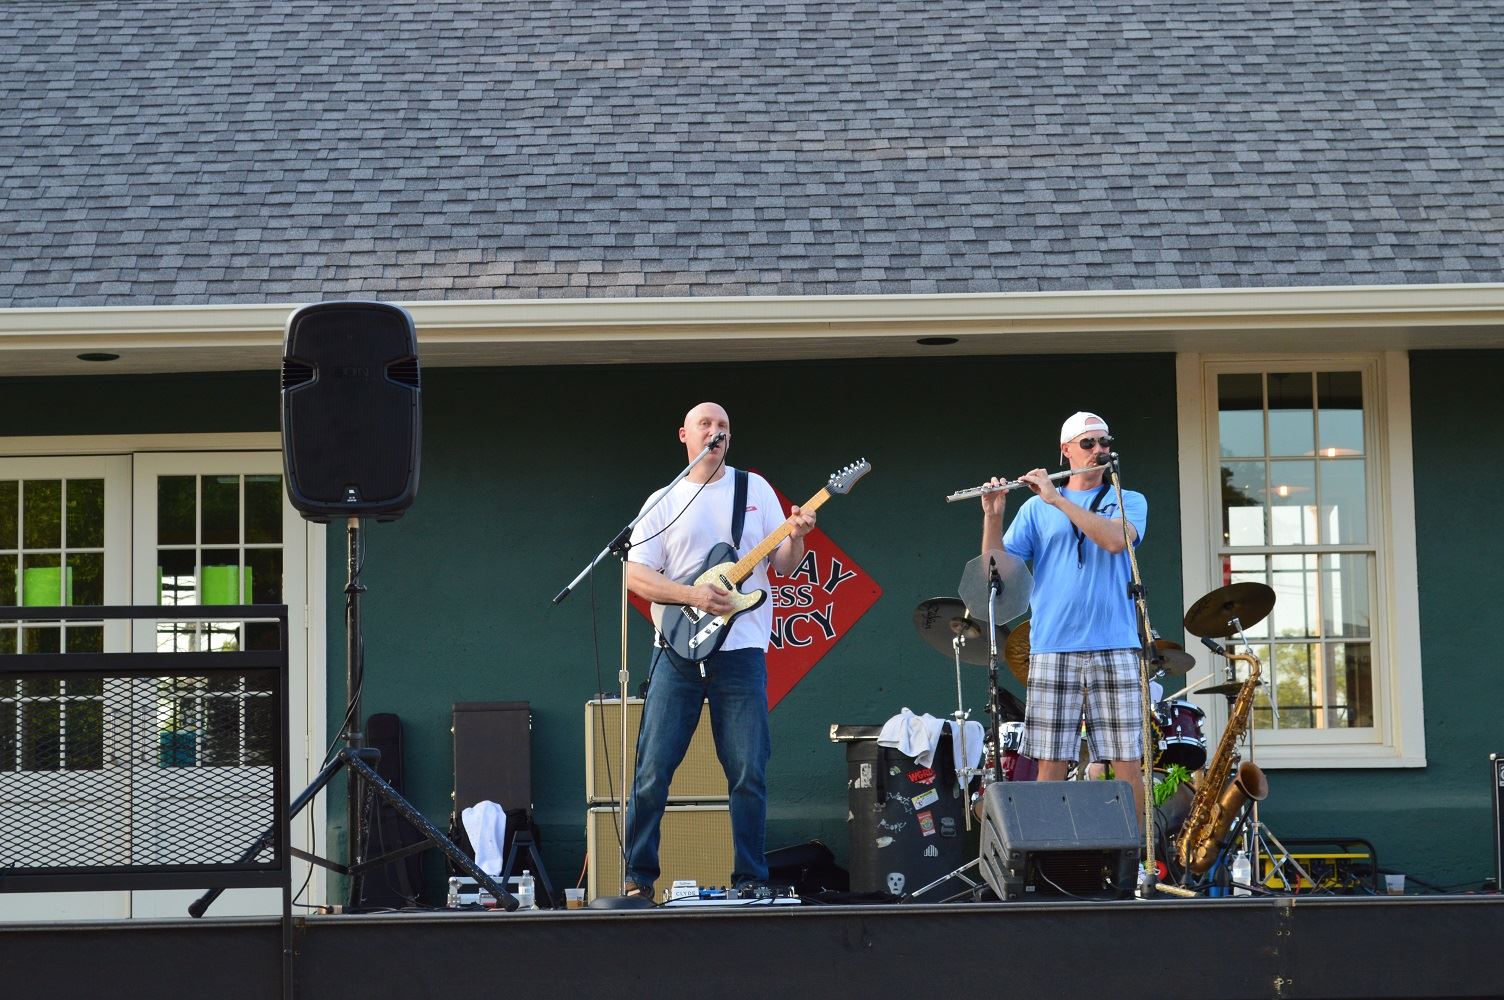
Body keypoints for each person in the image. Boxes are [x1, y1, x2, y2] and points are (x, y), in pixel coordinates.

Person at [621, 401, 816, 900]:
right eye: (705, 425)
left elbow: (786, 566)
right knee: (652, 770)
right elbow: (634, 575)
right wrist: (691, 595)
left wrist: (797, 538)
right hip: (675, 650)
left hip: (742, 650)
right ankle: (639, 879)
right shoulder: (662, 501)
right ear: (684, 435)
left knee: (749, 769)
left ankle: (750, 879)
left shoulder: (756, 490)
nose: (716, 432)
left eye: (723, 426)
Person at [979, 411, 1149, 825]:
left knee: (1126, 761)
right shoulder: (1036, 511)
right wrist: (993, 515)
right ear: (1066, 450)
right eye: (1089, 444)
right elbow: (995, 574)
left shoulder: (1128, 499)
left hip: (1116, 644)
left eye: (1105, 443)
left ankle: (1141, 863)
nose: (1099, 451)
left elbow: (1113, 541)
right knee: (1051, 762)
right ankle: (1048, 864)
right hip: (1053, 646)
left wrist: (1057, 498)